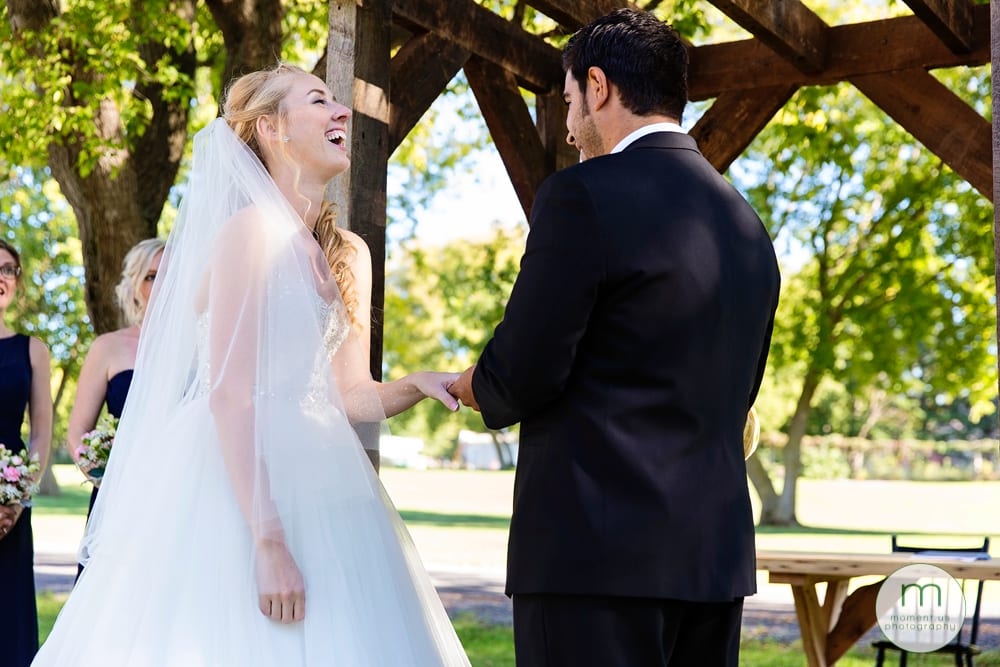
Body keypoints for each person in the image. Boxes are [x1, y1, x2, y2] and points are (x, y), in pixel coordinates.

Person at [34, 63, 470, 666]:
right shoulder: (248, 232)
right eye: (318, 100)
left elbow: (351, 395)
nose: (342, 111)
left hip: (322, 476)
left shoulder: (347, 253)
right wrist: (267, 540)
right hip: (233, 481)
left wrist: (415, 385)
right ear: (271, 127)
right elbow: (229, 394)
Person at [449, 9, 781, 666]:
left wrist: (472, 386)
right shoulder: (747, 227)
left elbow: (525, 369)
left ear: (597, 87)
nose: (570, 127)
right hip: (711, 562)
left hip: (594, 558)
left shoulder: (581, 196)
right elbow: (740, 393)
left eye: (569, 101)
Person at [66, 237, 164, 577]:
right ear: (134, 286)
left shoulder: (203, 346)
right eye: (151, 276)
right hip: (118, 496)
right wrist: (103, 478)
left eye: (170, 274)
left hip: (180, 493)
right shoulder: (108, 348)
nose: (161, 284)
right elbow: (77, 433)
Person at [0, 240, 53, 667]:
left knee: (11, 618)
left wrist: (16, 500)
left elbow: (41, 434)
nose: (1, 277)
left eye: (8, 269)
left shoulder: (32, 349)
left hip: (11, 501)